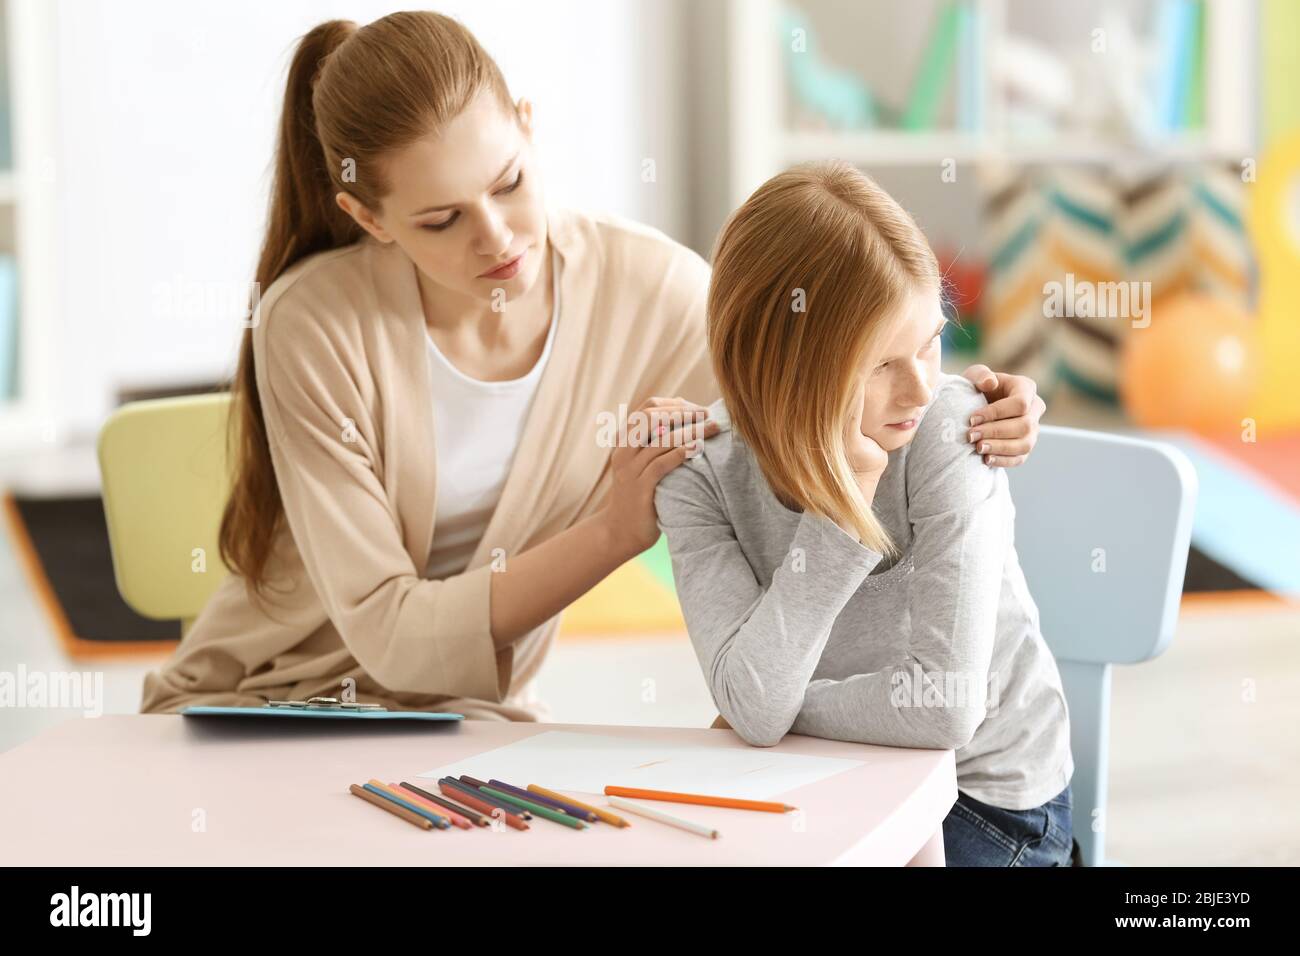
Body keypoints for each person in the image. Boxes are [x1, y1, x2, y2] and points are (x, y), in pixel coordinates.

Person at [141, 13, 1048, 727]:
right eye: (440, 220)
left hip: (471, 725)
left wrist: (978, 402)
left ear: (529, 130)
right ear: (368, 218)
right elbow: (392, 638)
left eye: (507, 183)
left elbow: (822, 386)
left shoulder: (653, 289)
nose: (497, 240)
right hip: (259, 709)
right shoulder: (312, 321)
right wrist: (616, 530)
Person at [654, 160, 1074, 865]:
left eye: (931, 342)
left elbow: (944, 705)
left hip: (989, 804)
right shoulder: (698, 474)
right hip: (822, 778)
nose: (919, 388)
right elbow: (754, 709)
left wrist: (773, 705)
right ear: (780, 366)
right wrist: (839, 519)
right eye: (881, 364)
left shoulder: (949, 433)